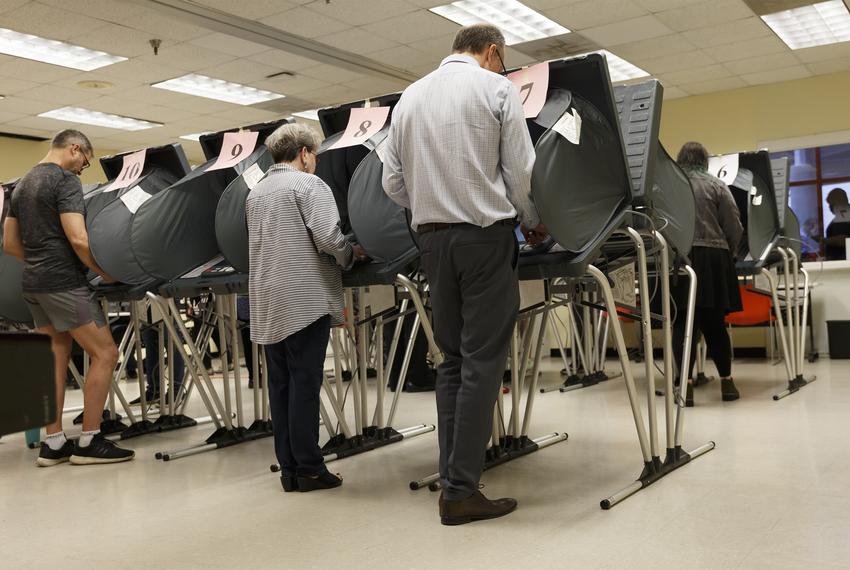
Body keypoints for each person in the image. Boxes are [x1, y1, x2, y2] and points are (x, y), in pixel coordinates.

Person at [382, 24, 546, 525]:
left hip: (431, 240)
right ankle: (459, 491)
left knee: (452, 361)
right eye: (503, 61)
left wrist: (434, 204)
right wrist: (533, 221)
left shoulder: (408, 98)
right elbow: (520, 172)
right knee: (481, 363)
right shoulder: (496, 89)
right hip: (484, 239)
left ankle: (454, 482)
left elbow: (392, 182)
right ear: (493, 52)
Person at [246, 123, 366, 493]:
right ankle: (311, 468)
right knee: (305, 384)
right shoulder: (309, 185)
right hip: (303, 299)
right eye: (314, 154)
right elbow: (328, 237)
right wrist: (351, 254)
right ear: (304, 153)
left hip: (266, 300)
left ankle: (291, 470)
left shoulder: (256, 192)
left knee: (280, 386)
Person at [2, 129, 134, 465]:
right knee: (106, 352)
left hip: (33, 285)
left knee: (54, 360)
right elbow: (77, 237)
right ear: (75, 148)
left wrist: (40, 263)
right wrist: (103, 271)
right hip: (64, 283)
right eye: (84, 163)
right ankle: (89, 440)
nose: (81, 171)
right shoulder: (64, 181)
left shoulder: (21, 184)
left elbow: (10, 245)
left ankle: (54, 443)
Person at [674, 142, 744, 406]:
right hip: (714, 259)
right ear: (704, 162)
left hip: (680, 259)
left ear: (680, 161)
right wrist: (728, 253)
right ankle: (727, 384)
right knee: (715, 324)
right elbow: (734, 226)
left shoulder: (671, 187)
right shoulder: (717, 185)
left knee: (682, 323)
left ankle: (686, 387)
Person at [824, 188, 850, 261]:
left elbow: (843, 239)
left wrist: (824, 240)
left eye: (831, 205)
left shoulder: (845, 215)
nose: (830, 208)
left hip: (843, 262)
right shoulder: (842, 216)